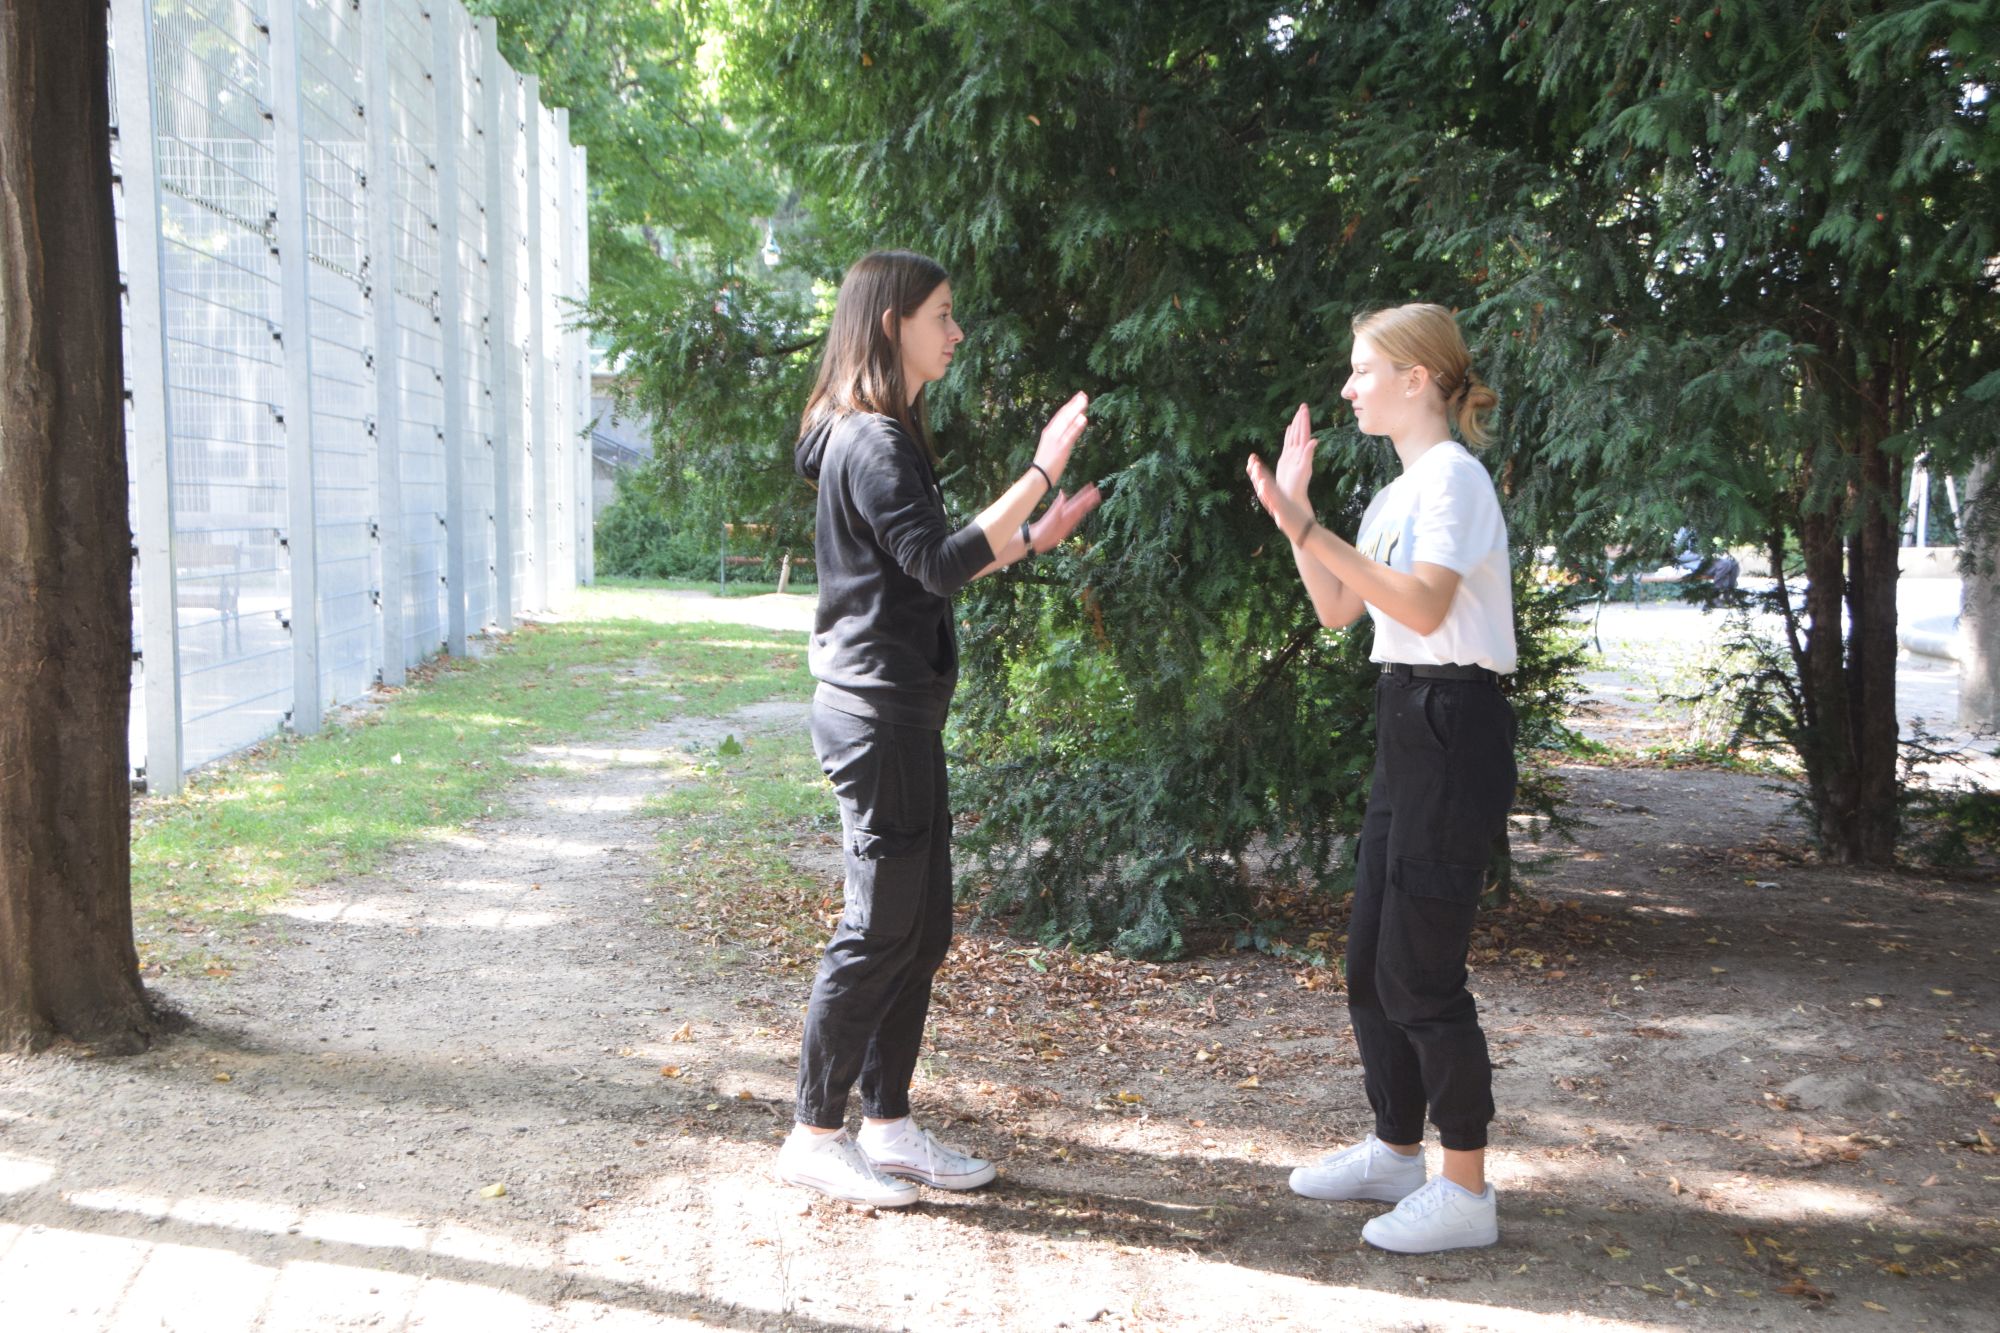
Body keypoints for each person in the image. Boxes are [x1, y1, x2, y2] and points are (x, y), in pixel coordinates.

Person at [779, 249, 1101, 1207]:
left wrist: (1030, 538)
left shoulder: (882, 434)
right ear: (893, 324)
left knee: (919, 932)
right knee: (878, 927)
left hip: (901, 711)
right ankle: (814, 1133)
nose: (957, 333)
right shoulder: (871, 440)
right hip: (874, 716)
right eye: (943, 315)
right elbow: (937, 563)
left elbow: (928, 563)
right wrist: (1040, 471)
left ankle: (888, 1125)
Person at [1245, 303, 1516, 1253]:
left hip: (1455, 719)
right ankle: (1397, 1149)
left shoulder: (1455, 480)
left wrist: (1307, 523)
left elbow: (1427, 606)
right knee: (1370, 958)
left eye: (1363, 369)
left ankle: (1467, 1190)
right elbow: (1336, 608)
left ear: (1417, 377)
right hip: (1406, 714)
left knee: (1421, 969)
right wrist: (1296, 521)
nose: (1349, 386)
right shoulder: (1396, 493)